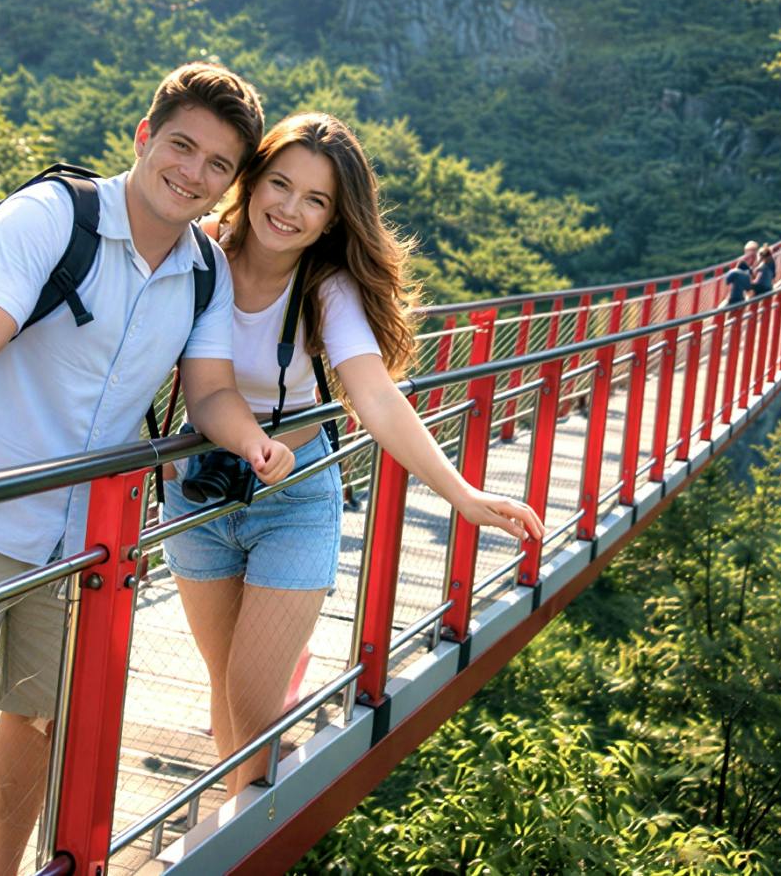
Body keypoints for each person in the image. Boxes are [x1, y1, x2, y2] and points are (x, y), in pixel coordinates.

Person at [0, 63, 293, 876]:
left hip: (84, 540)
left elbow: (209, 392)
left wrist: (249, 440)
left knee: (41, 721)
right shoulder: (51, 219)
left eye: (217, 165)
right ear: (143, 135)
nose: (192, 174)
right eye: (181, 146)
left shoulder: (202, 270)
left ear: (230, 182)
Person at [162, 112, 545, 795]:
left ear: (336, 219)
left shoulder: (325, 286)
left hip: (293, 497)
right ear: (251, 180)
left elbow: (374, 395)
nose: (291, 209)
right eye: (280, 184)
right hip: (201, 491)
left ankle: (234, 834)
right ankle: (231, 811)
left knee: (250, 706)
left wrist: (463, 494)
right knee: (228, 689)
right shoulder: (200, 256)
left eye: (316, 200)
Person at [722, 240, 760, 304]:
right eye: (747, 252)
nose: (748, 255)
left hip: (751, 289)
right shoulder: (742, 262)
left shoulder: (759, 261)